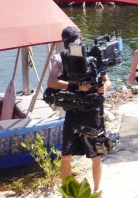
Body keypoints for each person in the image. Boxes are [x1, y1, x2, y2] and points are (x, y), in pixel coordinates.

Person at [47, 26, 111, 195]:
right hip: (73, 111)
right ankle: (67, 192)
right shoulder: (59, 58)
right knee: (66, 155)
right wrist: (76, 85)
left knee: (95, 154)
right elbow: (51, 82)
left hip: (92, 111)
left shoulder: (93, 56)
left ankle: (97, 191)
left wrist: (103, 87)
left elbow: (107, 81)